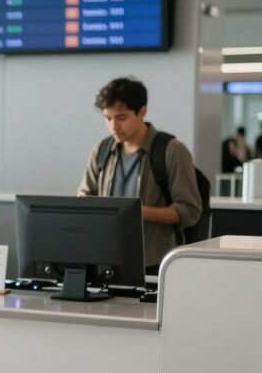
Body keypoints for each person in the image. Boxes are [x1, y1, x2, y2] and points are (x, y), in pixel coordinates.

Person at [77, 77, 202, 272]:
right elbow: (83, 198)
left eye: (121, 118)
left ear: (142, 111)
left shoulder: (172, 151)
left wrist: (138, 212)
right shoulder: (101, 150)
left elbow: (189, 211)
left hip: (155, 262)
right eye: (107, 118)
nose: (113, 127)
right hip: (107, 259)